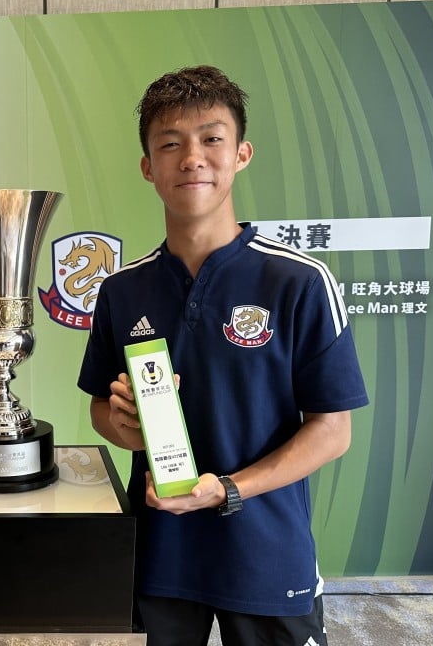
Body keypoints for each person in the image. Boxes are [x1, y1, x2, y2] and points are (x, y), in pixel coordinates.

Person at [77, 66, 368, 646]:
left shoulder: (299, 282)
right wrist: (124, 427)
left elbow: (333, 431)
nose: (192, 157)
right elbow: (99, 412)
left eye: (212, 138)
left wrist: (228, 489)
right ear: (147, 167)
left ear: (241, 154)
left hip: (266, 556)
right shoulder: (122, 291)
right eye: (170, 143)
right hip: (159, 560)